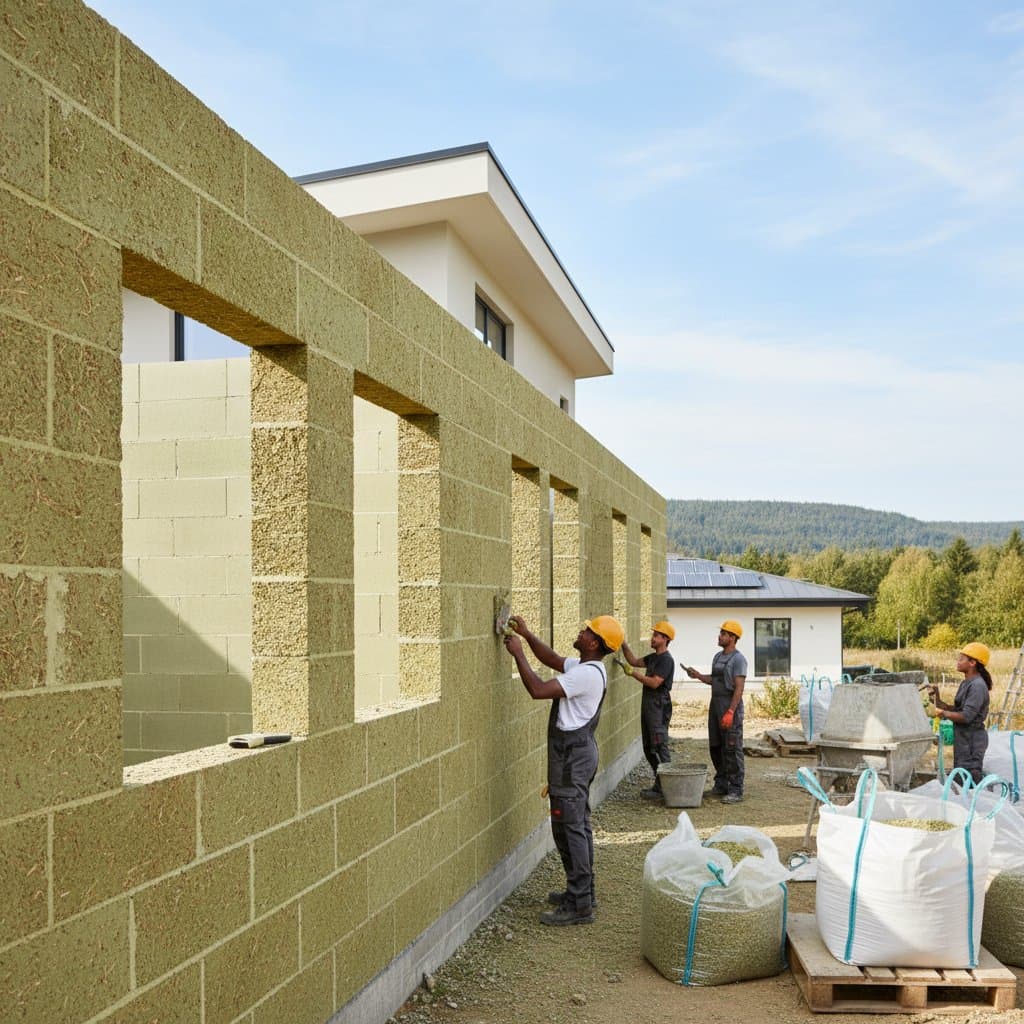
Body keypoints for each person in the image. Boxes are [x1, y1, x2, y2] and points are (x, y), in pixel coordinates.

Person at [503, 614, 624, 926]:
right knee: (577, 826)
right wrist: (528, 636)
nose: (581, 632)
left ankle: (580, 902)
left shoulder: (586, 675)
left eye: (587, 631)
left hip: (572, 759)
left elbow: (538, 689)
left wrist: (517, 653)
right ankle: (582, 892)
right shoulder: (588, 668)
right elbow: (553, 659)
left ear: (595, 643)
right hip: (577, 756)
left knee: (569, 828)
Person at [685, 619, 747, 804]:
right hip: (715, 705)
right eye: (720, 633)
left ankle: (736, 789)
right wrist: (697, 676)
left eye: (723, 634)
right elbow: (714, 680)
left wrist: (730, 711)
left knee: (732, 747)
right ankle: (721, 784)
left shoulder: (738, 659)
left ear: (733, 637)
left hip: (729, 706)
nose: (719, 636)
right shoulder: (717, 657)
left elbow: (739, 688)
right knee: (716, 746)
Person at [619, 621, 676, 800]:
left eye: (657, 636)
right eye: (653, 635)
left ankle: (671, 788)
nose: (653, 638)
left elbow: (654, 683)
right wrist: (622, 642)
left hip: (659, 707)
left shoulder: (666, 660)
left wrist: (633, 673)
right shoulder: (653, 658)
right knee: (649, 748)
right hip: (649, 706)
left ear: (665, 639)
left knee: (659, 746)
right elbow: (633, 661)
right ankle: (660, 787)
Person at [927, 641, 992, 785]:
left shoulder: (977, 686)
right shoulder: (966, 683)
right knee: (961, 780)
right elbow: (956, 710)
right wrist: (936, 698)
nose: (958, 662)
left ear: (973, 662)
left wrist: (943, 713)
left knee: (968, 782)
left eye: (961, 659)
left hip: (972, 743)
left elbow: (966, 716)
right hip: (964, 741)